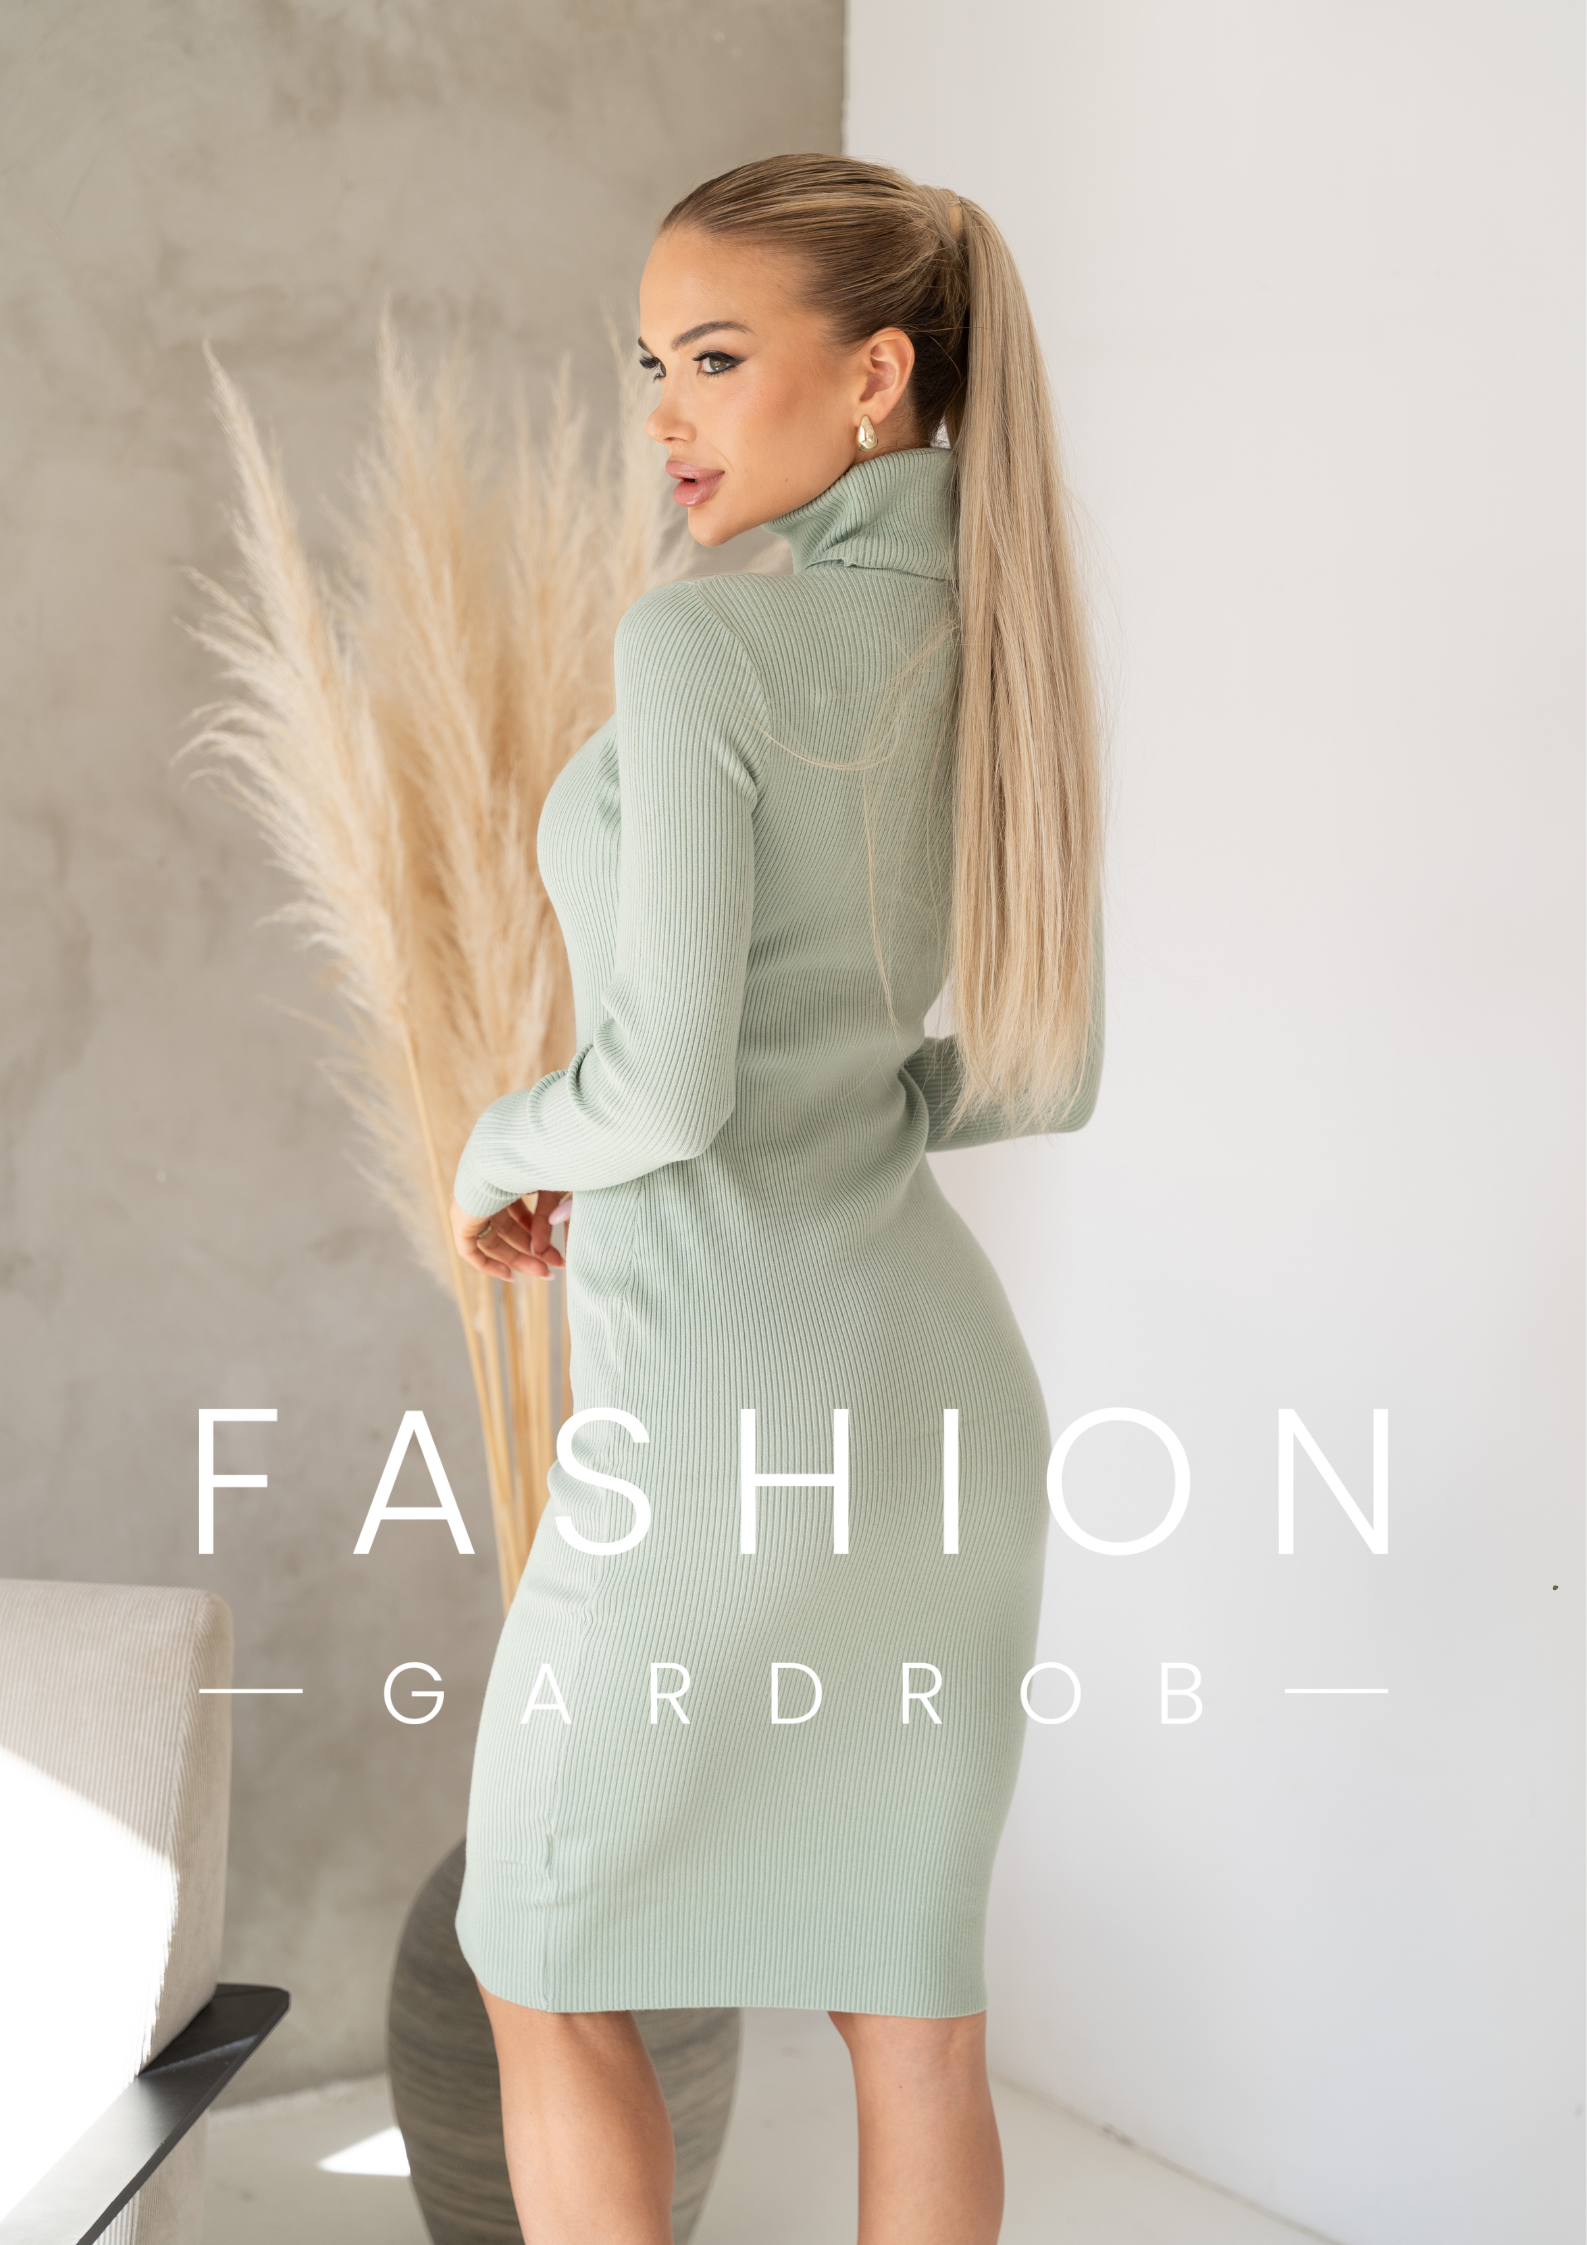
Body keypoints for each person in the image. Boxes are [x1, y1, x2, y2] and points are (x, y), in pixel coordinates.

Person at [446, 151, 1108, 2245]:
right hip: (937, 1421)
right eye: (651, 364)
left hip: (719, 1420)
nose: (667, 414)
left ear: (877, 373)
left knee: (540, 1956)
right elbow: (1040, 1066)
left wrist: (498, 1147)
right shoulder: (1008, 641)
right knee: (910, 2021)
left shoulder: (706, 645)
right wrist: (816, 1109)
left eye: (715, 360)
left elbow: (655, 1087)